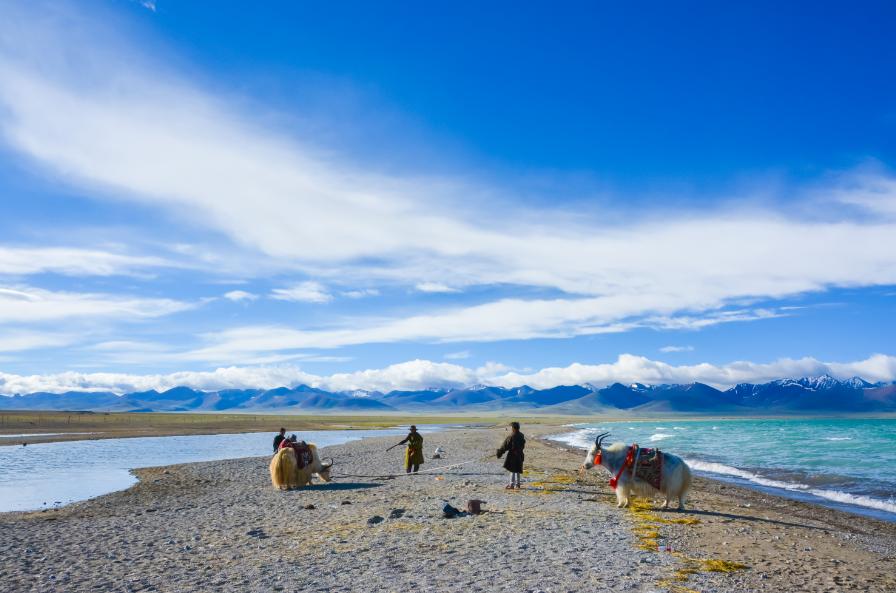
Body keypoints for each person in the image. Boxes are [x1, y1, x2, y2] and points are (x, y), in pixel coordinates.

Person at [497, 421, 525, 489]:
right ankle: (517, 485)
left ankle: (511, 485)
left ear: (513, 428)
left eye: (512, 427)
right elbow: (523, 445)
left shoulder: (511, 436)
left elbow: (505, 446)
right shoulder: (521, 435)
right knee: (518, 469)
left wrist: (500, 452)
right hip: (520, 454)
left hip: (513, 455)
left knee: (512, 470)